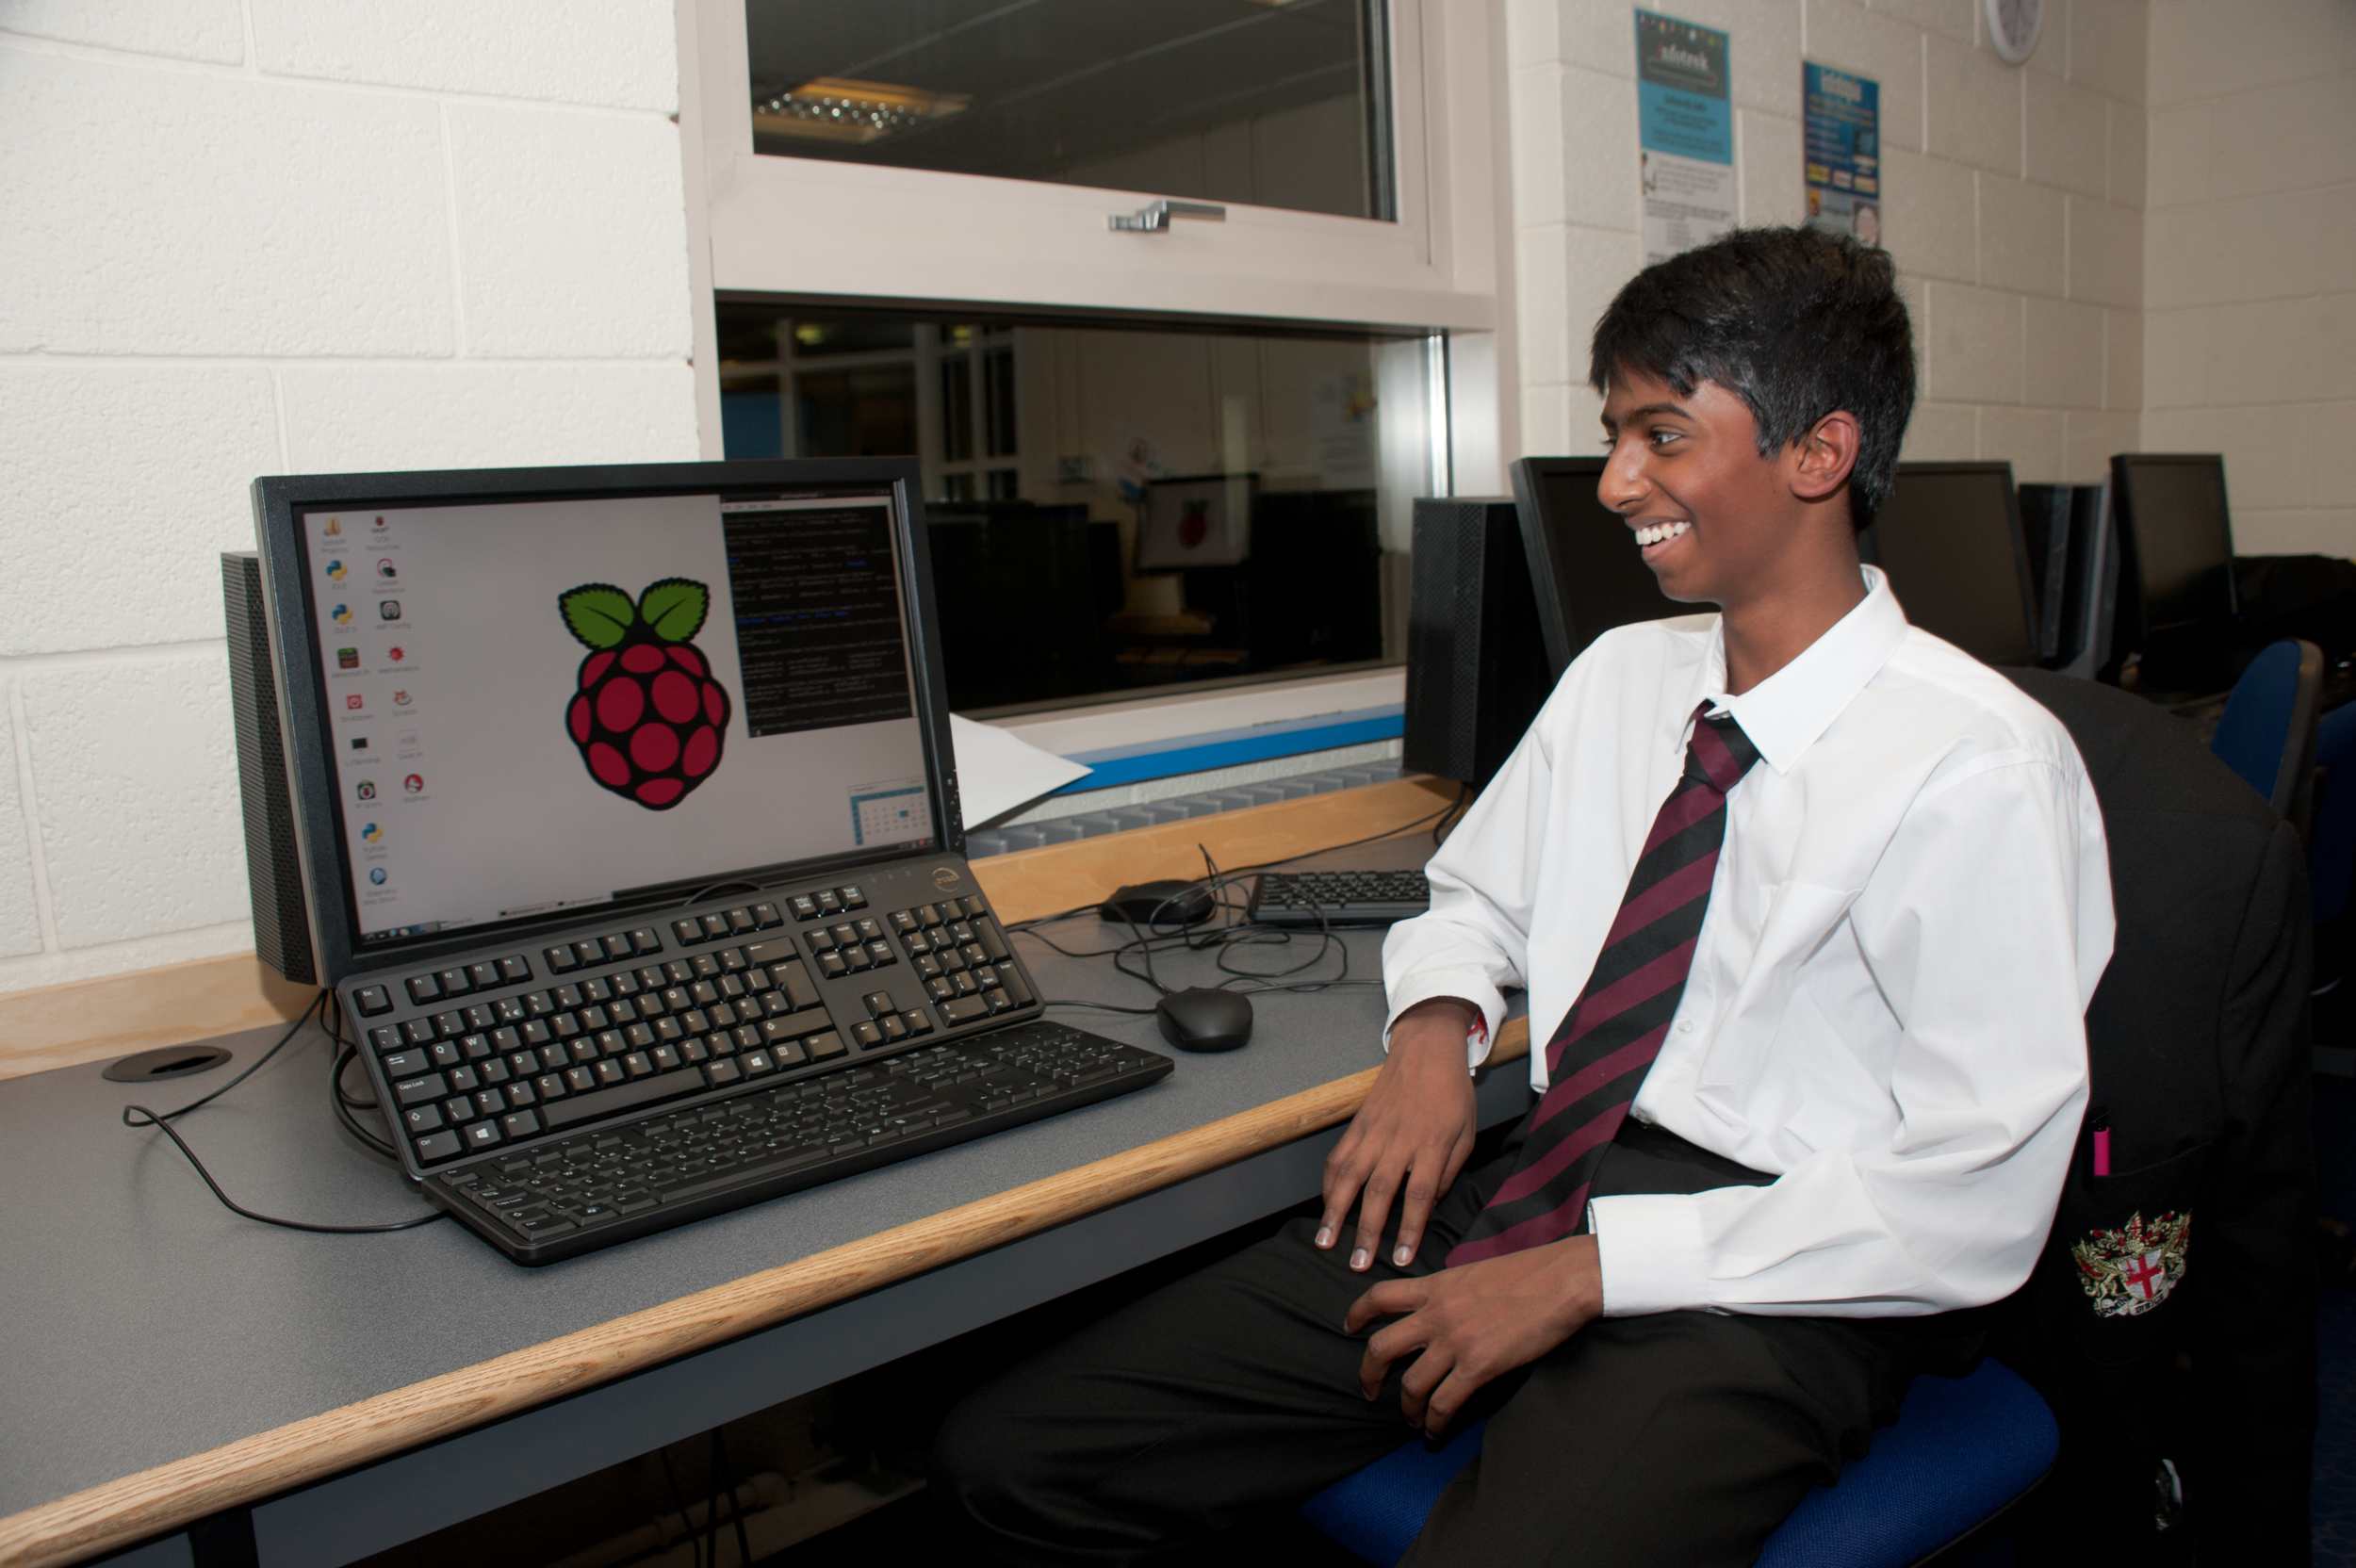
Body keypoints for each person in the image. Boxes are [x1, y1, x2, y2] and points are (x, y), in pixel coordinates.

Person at [932, 226, 2114, 1565]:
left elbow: (1975, 1193)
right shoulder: (1624, 677)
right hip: (1551, 1168)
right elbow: (1469, 900)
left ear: (1818, 454)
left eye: (1663, 436)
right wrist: (1432, 1039)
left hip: (1790, 1262)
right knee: (1019, 1459)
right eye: (1615, 434)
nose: (1617, 482)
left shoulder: (1976, 766)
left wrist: (1592, 1276)